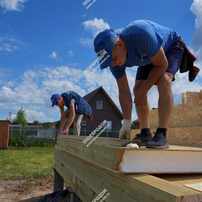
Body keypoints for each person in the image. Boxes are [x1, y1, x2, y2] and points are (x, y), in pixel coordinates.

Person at [93, 19, 200, 148]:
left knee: (164, 80)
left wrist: (145, 88)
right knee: (137, 89)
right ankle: (145, 133)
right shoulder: (114, 61)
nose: (114, 64)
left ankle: (162, 134)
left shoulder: (141, 34)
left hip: (171, 48)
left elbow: (162, 64)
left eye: (114, 59)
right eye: (109, 62)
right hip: (149, 55)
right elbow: (123, 91)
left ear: (120, 44)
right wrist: (126, 122)